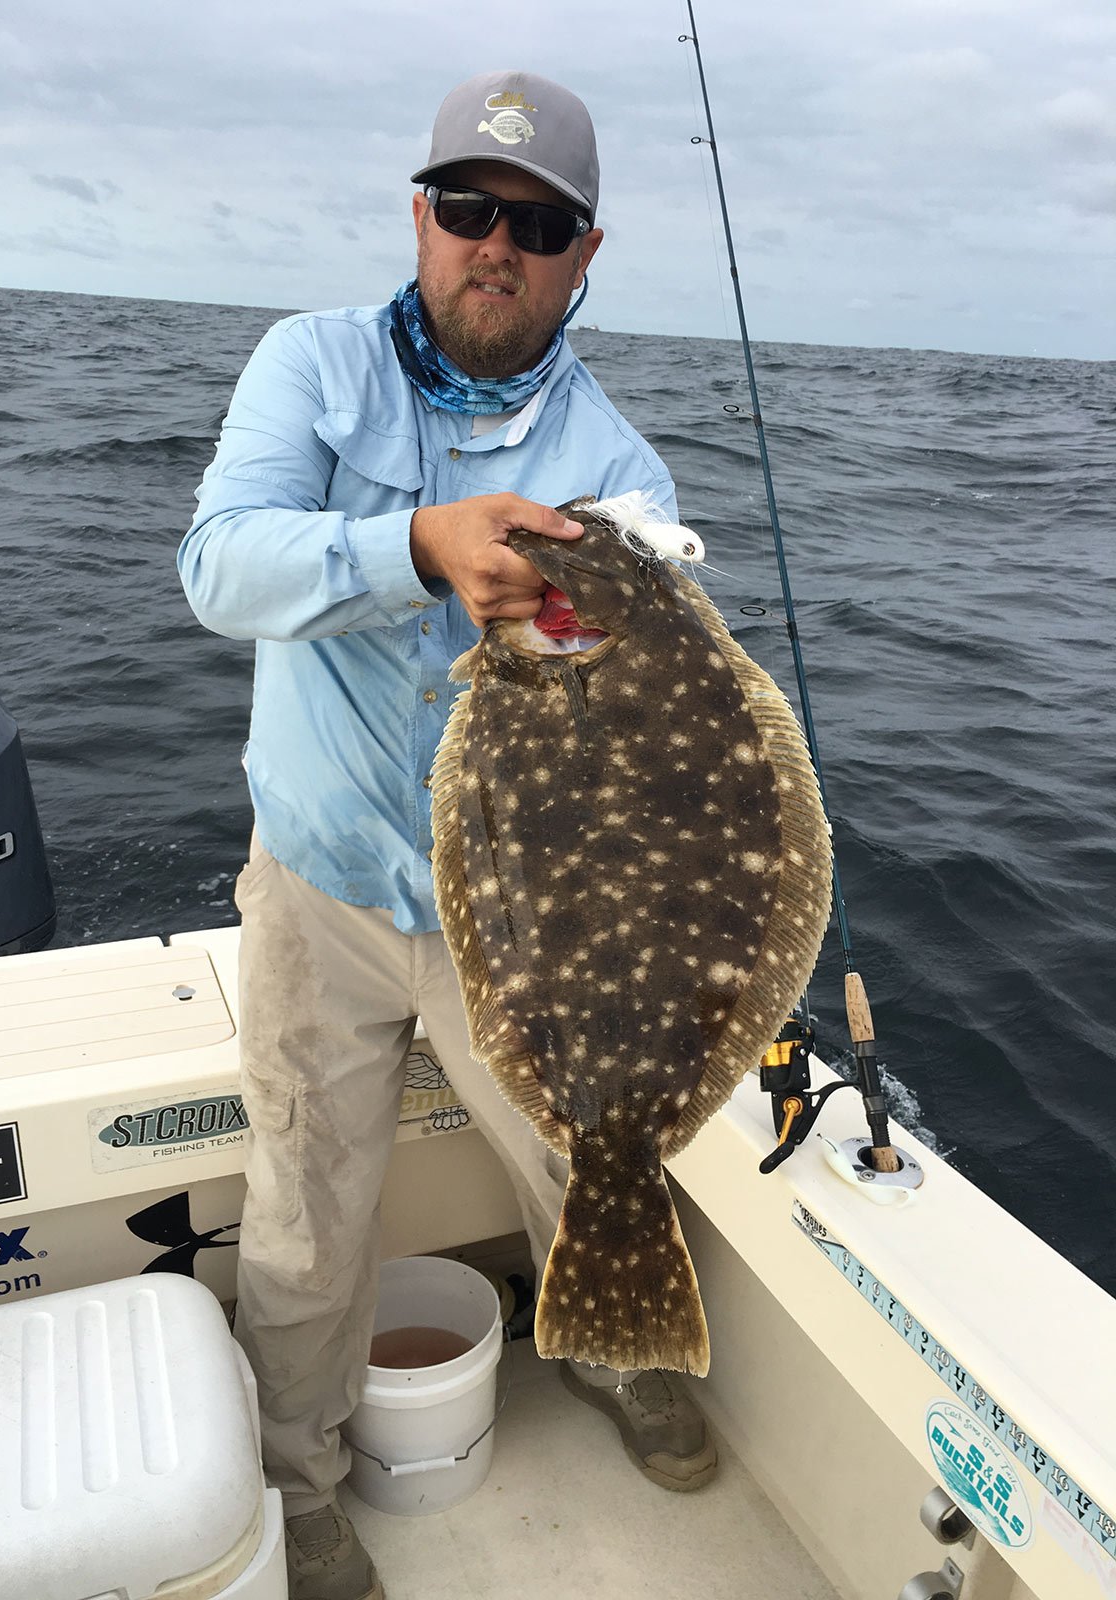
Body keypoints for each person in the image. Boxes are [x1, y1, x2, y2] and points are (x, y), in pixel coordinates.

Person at [178, 68, 716, 1600]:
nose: (499, 244)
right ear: (421, 217)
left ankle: (611, 1349)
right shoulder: (315, 368)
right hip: (325, 882)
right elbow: (219, 566)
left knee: (586, 1151)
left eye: (537, 224)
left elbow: (661, 730)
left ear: (584, 254)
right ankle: (303, 1473)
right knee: (304, 1212)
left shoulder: (617, 470)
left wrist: (590, 640)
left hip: (536, 908)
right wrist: (417, 547)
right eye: (470, 209)